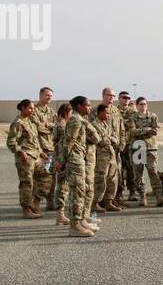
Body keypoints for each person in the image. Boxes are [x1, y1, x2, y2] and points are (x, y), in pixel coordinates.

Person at [61, 96, 100, 237]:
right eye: (87, 105)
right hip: (74, 160)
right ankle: (75, 226)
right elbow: (68, 142)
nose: (89, 107)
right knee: (76, 192)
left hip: (79, 159)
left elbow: (95, 138)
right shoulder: (75, 120)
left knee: (81, 191)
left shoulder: (80, 119)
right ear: (79, 106)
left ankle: (81, 220)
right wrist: (62, 160)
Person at [6, 98, 46, 219]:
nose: (32, 110)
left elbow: (33, 140)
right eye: (30, 108)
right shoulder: (18, 122)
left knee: (46, 175)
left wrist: (41, 152)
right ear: (23, 108)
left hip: (36, 156)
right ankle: (26, 209)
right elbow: (11, 142)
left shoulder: (30, 121)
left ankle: (35, 202)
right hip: (25, 159)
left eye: (33, 108)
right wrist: (21, 152)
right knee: (27, 183)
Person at [128, 96, 163, 207]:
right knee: (138, 173)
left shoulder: (153, 116)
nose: (143, 106)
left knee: (153, 171)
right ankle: (142, 196)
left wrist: (145, 131)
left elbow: (156, 130)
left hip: (151, 148)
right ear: (137, 105)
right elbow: (133, 131)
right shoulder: (133, 117)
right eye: (141, 104)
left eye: (145, 104)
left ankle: (158, 196)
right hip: (138, 147)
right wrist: (147, 129)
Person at [33, 86, 59, 210]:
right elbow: (37, 127)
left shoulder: (51, 111)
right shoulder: (34, 110)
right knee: (42, 177)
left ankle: (50, 201)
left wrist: (47, 126)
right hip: (40, 149)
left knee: (53, 176)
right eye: (47, 95)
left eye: (51, 96)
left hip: (51, 148)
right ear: (41, 95)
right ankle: (36, 203)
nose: (49, 98)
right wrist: (49, 126)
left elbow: (57, 125)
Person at [92, 103, 121, 212]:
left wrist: (110, 139)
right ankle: (95, 203)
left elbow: (115, 139)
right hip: (101, 156)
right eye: (107, 113)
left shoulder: (106, 125)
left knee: (112, 179)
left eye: (109, 113)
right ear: (100, 113)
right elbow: (101, 140)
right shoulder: (94, 124)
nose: (109, 115)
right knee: (101, 179)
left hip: (111, 154)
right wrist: (110, 139)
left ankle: (109, 201)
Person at [52, 101, 73, 225]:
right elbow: (62, 145)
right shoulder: (61, 126)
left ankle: (61, 213)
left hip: (61, 158)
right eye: (70, 112)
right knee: (62, 187)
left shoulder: (61, 124)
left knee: (62, 186)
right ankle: (60, 214)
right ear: (66, 112)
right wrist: (61, 160)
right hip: (61, 159)